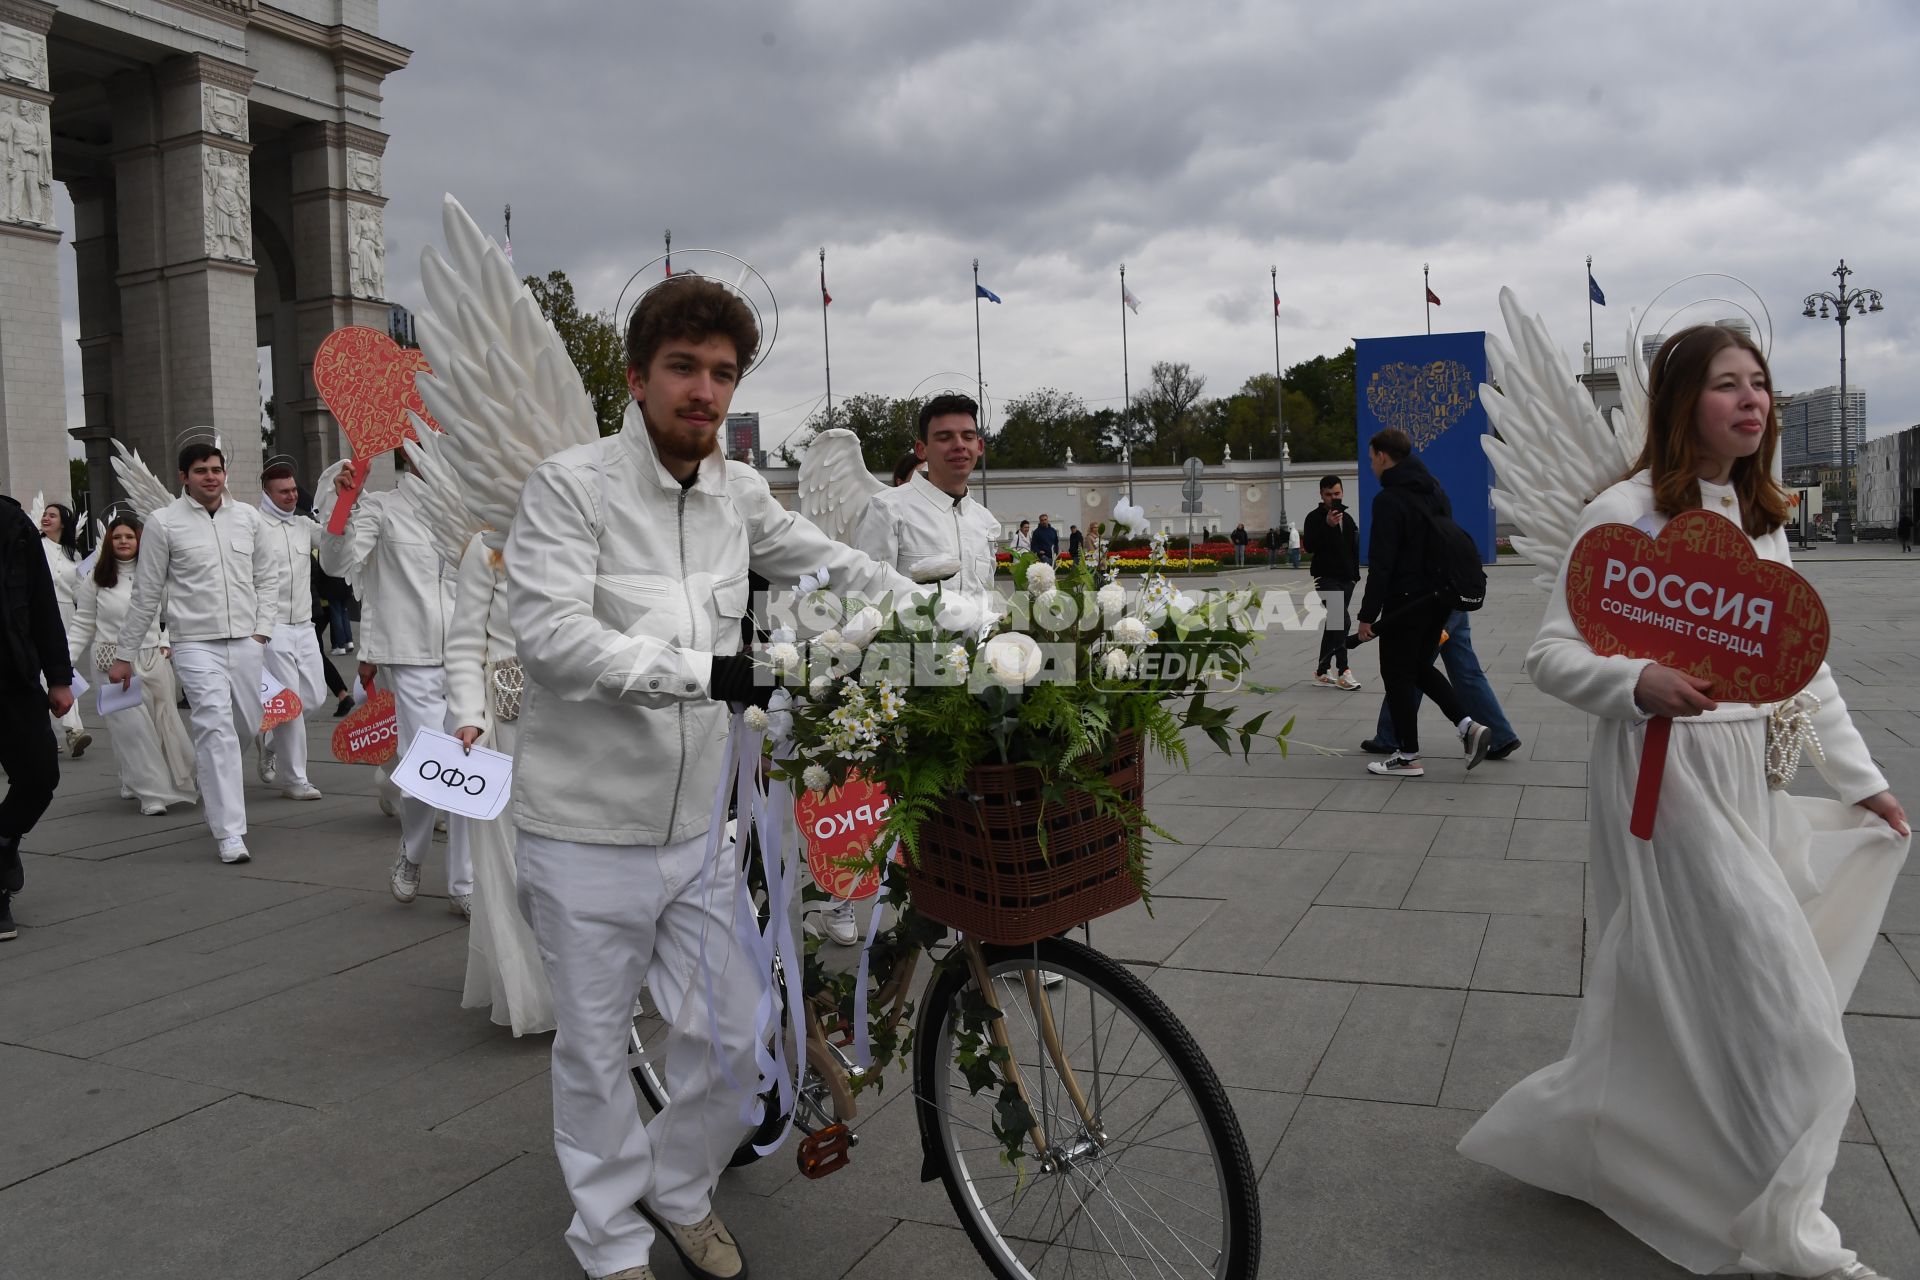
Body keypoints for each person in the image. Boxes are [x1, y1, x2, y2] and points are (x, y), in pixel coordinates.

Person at [1459, 325, 1911, 1280]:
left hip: (1748, 774)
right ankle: (1796, 1241)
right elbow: (1551, 654)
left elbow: (1802, 668)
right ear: (1678, 405)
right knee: (1780, 1001)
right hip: (1662, 783)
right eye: (1727, 386)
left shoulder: (1762, 521)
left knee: (1708, 990)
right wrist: (1637, 682)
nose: (1753, 402)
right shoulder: (1619, 515)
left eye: (1762, 386)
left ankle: (1599, 1132)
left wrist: (1862, 781)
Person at [504, 274, 915, 1280]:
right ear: (638, 378)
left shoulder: (737, 493)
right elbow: (554, 640)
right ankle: (606, 1240)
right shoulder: (571, 487)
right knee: (596, 1051)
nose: (704, 390)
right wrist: (714, 672)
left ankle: (679, 1186)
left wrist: (954, 615)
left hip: (698, 830)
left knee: (737, 1043)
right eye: (683, 367)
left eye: (722, 373)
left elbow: (829, 559)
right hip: (584, 830)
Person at [842, 391, 1001, 945]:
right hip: (909, 684)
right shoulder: (891, 509)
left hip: (973, 687)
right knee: (892, 808)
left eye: (967, 436)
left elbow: (984, 597)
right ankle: (846, 893)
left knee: (965, 814)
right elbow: (863, 596)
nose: (958, 446)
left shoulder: (983, 521)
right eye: (944, 437)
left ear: (979, 445)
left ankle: (979, 940)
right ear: (921, 448)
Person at [111, 441, 281, 864]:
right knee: (215, 730)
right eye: (201, 470)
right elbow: (146, 593)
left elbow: (268, 577)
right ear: (184, 476)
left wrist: (262, 631)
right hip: (193, 644)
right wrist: (124, 654)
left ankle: (210, 774)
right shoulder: (164, 522)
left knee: (247, 723)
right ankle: (230, 833)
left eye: (216, 469)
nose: (211, 476)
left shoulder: (247, 518)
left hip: (246, 640)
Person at [320, 446, 471, 916]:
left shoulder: (472, 507)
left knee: (469, 764)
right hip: (411, 655)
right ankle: (414, 851)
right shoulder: (382, 507)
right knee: (426, 766)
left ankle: (464, 881)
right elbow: (334, 564)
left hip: (470, 652)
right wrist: (346, 502)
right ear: (409, 453)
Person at [447, 531, 553, 1035]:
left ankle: (592, 985)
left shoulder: (587, 528)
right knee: (520, 857)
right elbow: (466, 640)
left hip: (580, 720)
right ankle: (532, 992)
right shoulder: (486, 546)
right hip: (510, 722)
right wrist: (468, 713)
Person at [1354, 427, 1492, 778]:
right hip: (1439, 598)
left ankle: (1406, 755)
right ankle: (1468, 726)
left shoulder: (1388, 500)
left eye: (1372, 459)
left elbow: (1382, 564)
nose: (1371, 466)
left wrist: (1367, 616)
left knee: (1397, 675)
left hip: (1406, 600)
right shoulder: (1433, 489)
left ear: (1384, 456)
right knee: (1418, 668)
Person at [67, 513, 197, 815]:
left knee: (158, 723)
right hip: (109, 664)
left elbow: (173, 614)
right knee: (131, 728)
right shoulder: (95, 580)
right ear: (109, 543)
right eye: (117, 537)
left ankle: (131, 776)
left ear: (140, 540)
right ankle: (151, 793)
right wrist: (64, 666)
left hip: (152, 659)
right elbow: (83, 623)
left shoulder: (155, 576)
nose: (123, 542)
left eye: (129, 536)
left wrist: (165, 643)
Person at [0, 492, 71, 941]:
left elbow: (44, 604)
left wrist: (59, 677)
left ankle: (3, 841)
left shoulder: (12, 523)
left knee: (40, 775)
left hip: (12, 677)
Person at [254, 463, 326, 801]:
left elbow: (334, 540)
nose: (292, 495)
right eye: (284, 491)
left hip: (305, 625)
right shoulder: (253, 525)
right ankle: (296, 779)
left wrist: (345, 499)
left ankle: (270, 738)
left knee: (315, 697)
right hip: (273, 627)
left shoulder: (302, 525)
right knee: (292, 704)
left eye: (294, 490)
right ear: (267, 493)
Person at [1359, 612, 1521, 760]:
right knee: (1466, 672)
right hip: (1457, 600)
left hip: (1437, 601)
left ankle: (1391, 736)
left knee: (1412, 668)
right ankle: (1501, 736)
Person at [39, 502, 91, 757]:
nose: (46, 518)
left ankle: (60, 733)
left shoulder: (75, 555)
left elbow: (80, 590)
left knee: (64, 673)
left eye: (52, 515)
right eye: (44, 514)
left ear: (63, 522)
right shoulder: (35, 546)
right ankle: (71, 731)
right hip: (39, 613)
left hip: (67, 614)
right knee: (43, 674)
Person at [1301, 476, 1361, 691]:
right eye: (1328, 494)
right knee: (1341, 621)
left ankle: (1321, 669)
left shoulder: (1349, 518)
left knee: (1334, 623)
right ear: (1321, 495)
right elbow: (1309, 546)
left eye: (1336, 494)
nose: (1333, 498)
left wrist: (1355, 576)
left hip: (1347, 579)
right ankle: (1344, 670)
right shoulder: (1314, 518)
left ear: (1342, 492)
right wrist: (1327, 525)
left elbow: (1354, 549)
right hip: (1324, 578)